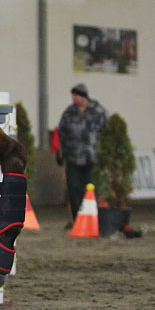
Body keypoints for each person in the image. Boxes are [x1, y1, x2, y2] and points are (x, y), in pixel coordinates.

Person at [57, 83, 107, 224]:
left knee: (91, 189)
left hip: (92, 158)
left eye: (76, 95)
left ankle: (93, 220)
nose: (73, 98)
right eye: (72, 96)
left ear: (83, 96)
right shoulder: (69, 112)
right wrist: (61, 152)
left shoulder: (98, 111)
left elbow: (106, 132)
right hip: (72, 158)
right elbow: (61, 132)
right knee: (73, 190)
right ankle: (76, 220)